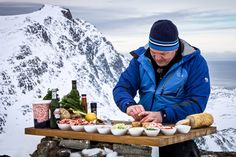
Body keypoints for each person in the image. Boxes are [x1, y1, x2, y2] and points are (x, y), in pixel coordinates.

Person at [113, 19, 210, 157]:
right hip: (144, 133)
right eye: (153, 52)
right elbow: (122, 87)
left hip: (176, 136)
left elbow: (197, 102)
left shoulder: (195, 63)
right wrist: (129, 105)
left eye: (163, 54)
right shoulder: (140, 59)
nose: (157, 58)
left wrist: (163, 115)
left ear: (175, 49)